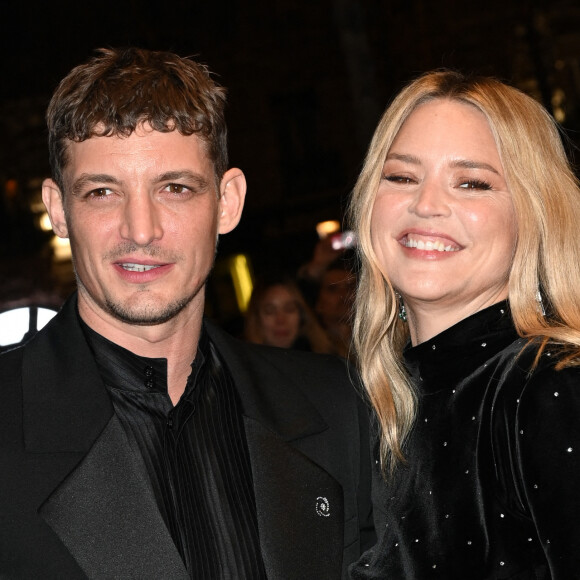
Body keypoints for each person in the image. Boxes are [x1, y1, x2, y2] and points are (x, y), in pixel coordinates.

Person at [0, 47, 374, 580]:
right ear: (60, 209)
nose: (141, 229)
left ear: (228, 202)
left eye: (174, 188)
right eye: (103, 192)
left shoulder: (338, 408)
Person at [347, 70, 580, 579]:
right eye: (402, 177)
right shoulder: (379, 401)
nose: (426, 205)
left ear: (535, 214)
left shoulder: (548, 387)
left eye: (472, 183)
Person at [244, 274, 334, 353]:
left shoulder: (327, 360)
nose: (280, 320)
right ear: (256, 318)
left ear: (302, 316)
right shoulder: (239, 366)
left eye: (289, 309)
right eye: (270, 311)